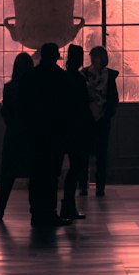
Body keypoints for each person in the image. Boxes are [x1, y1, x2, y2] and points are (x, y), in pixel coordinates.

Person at [23, 42, 70, 227]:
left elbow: (23, 106)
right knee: (51, 174)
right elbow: (66, 108)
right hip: (55, 134)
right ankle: (49, 212)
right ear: (55, 56)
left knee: (36, 174)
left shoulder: (30, 77)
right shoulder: (61, 78)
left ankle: (36, 212)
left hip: (35, 133)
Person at [0, 51, 34, 221]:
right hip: (31, 135)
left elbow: (6, 111)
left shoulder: (9, 88)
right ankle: (34, 208)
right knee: (34, 174)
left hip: (13, 135)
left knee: (8, 175)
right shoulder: (34, 88)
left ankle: (0, 209)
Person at [82, 44, 119, 197]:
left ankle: (100, 186)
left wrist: (107, 114)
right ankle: (83, 185)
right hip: (87, 119)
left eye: (95, 56)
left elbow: (113, 98)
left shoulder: (109, 76)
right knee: (84, 154)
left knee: (101, 153)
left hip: (103, 119)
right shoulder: (84, 74)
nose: (93, 59)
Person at [60, 44, 91, 221]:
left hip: (65, 128)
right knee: (76, 167)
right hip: (78, 129)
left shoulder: (64, 78)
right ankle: (68, 205)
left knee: (71, 167)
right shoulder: (79, 79)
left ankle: (67, 205)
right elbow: (83, 105)